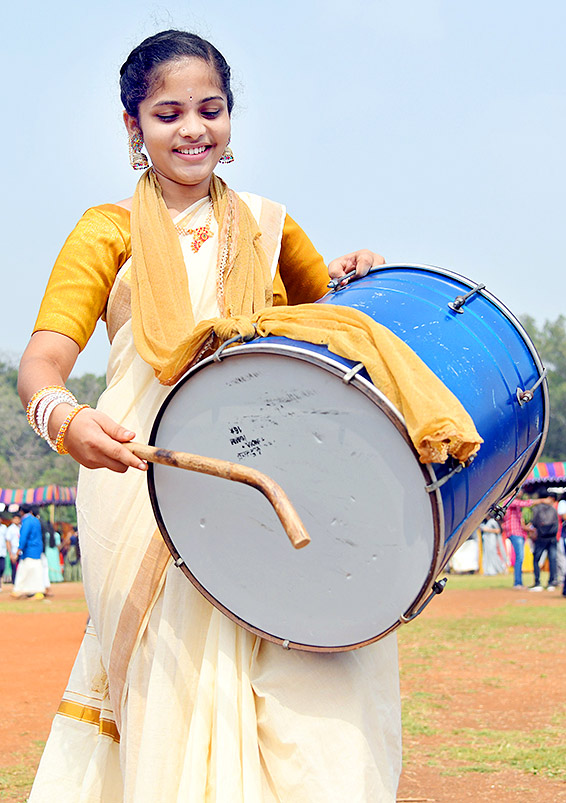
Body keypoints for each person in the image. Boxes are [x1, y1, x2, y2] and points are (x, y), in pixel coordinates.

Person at [19, 30, 402, 801]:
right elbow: (41, 363)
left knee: (314, 680)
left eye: (210, 109)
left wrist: (354, 280)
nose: (192, 128)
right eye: (168, 113)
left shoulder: (268, 222)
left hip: (271, 476)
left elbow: (315, 327)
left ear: (230, 118)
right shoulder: (106, 231)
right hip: (145, 481)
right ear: (133, 127)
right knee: (178, 689)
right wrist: (66, 421)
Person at [502, 492, 548, 589]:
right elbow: (526, 503)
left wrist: (529, 529)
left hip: (519, 532)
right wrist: (542, 500)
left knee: (520, 557)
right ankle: (517, 583)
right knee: (519, 557)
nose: (522, 493)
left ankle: (519, 582)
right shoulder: (509, 501)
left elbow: (521, 523)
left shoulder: (516, 506)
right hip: (514, 532)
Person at [11, 505, 45, 600]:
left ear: (21, 512)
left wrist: (19, 549)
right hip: (37, 550)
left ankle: (21, 590)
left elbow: (23, 536)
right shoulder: (36, 520)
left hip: (29, 550)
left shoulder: (26, 521)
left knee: (24, 571)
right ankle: (30, 591)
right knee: (34, 571)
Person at [527, 494, 559, 591]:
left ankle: (537, 582)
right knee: (552, 559)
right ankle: (552, 582)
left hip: (541, 537)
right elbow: (556, 523)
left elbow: (534, 522)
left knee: (536, 559)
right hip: (552, 537)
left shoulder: (537, 509)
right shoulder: (553, 509)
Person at [6, 513, 20, 584]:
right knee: (14, 569)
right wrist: (10, 553)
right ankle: (15, 583)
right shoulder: (10, 529)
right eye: (15, 518)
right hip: (14, 551)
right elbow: (8, 542)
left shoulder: (21, 527)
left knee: (21, 568)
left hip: (21, 551)